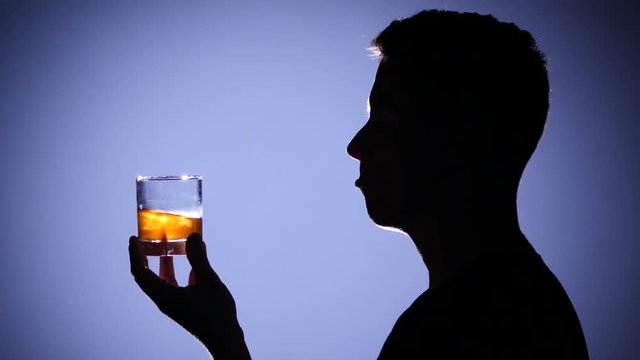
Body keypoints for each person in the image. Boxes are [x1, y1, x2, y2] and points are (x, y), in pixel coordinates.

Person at [129, 10, 589, 359]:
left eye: (384, 121)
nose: (355, 145)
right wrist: (223, 336)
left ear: (459, 139)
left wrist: (225, 341)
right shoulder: (515, 303)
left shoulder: (474, 325)